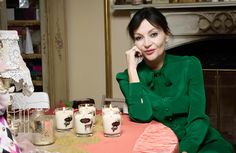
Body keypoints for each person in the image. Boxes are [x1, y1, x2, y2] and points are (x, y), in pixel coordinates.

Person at [116, 7, 234, 153]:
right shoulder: (127, 78)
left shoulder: (190, 65)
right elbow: (142, 116)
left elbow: (198, 117)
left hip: (199, 141)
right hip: (160, 146)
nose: (146, 43)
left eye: (153, 34)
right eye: (139, 37)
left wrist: (185, 150)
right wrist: (132, 69)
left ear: (166, 35)